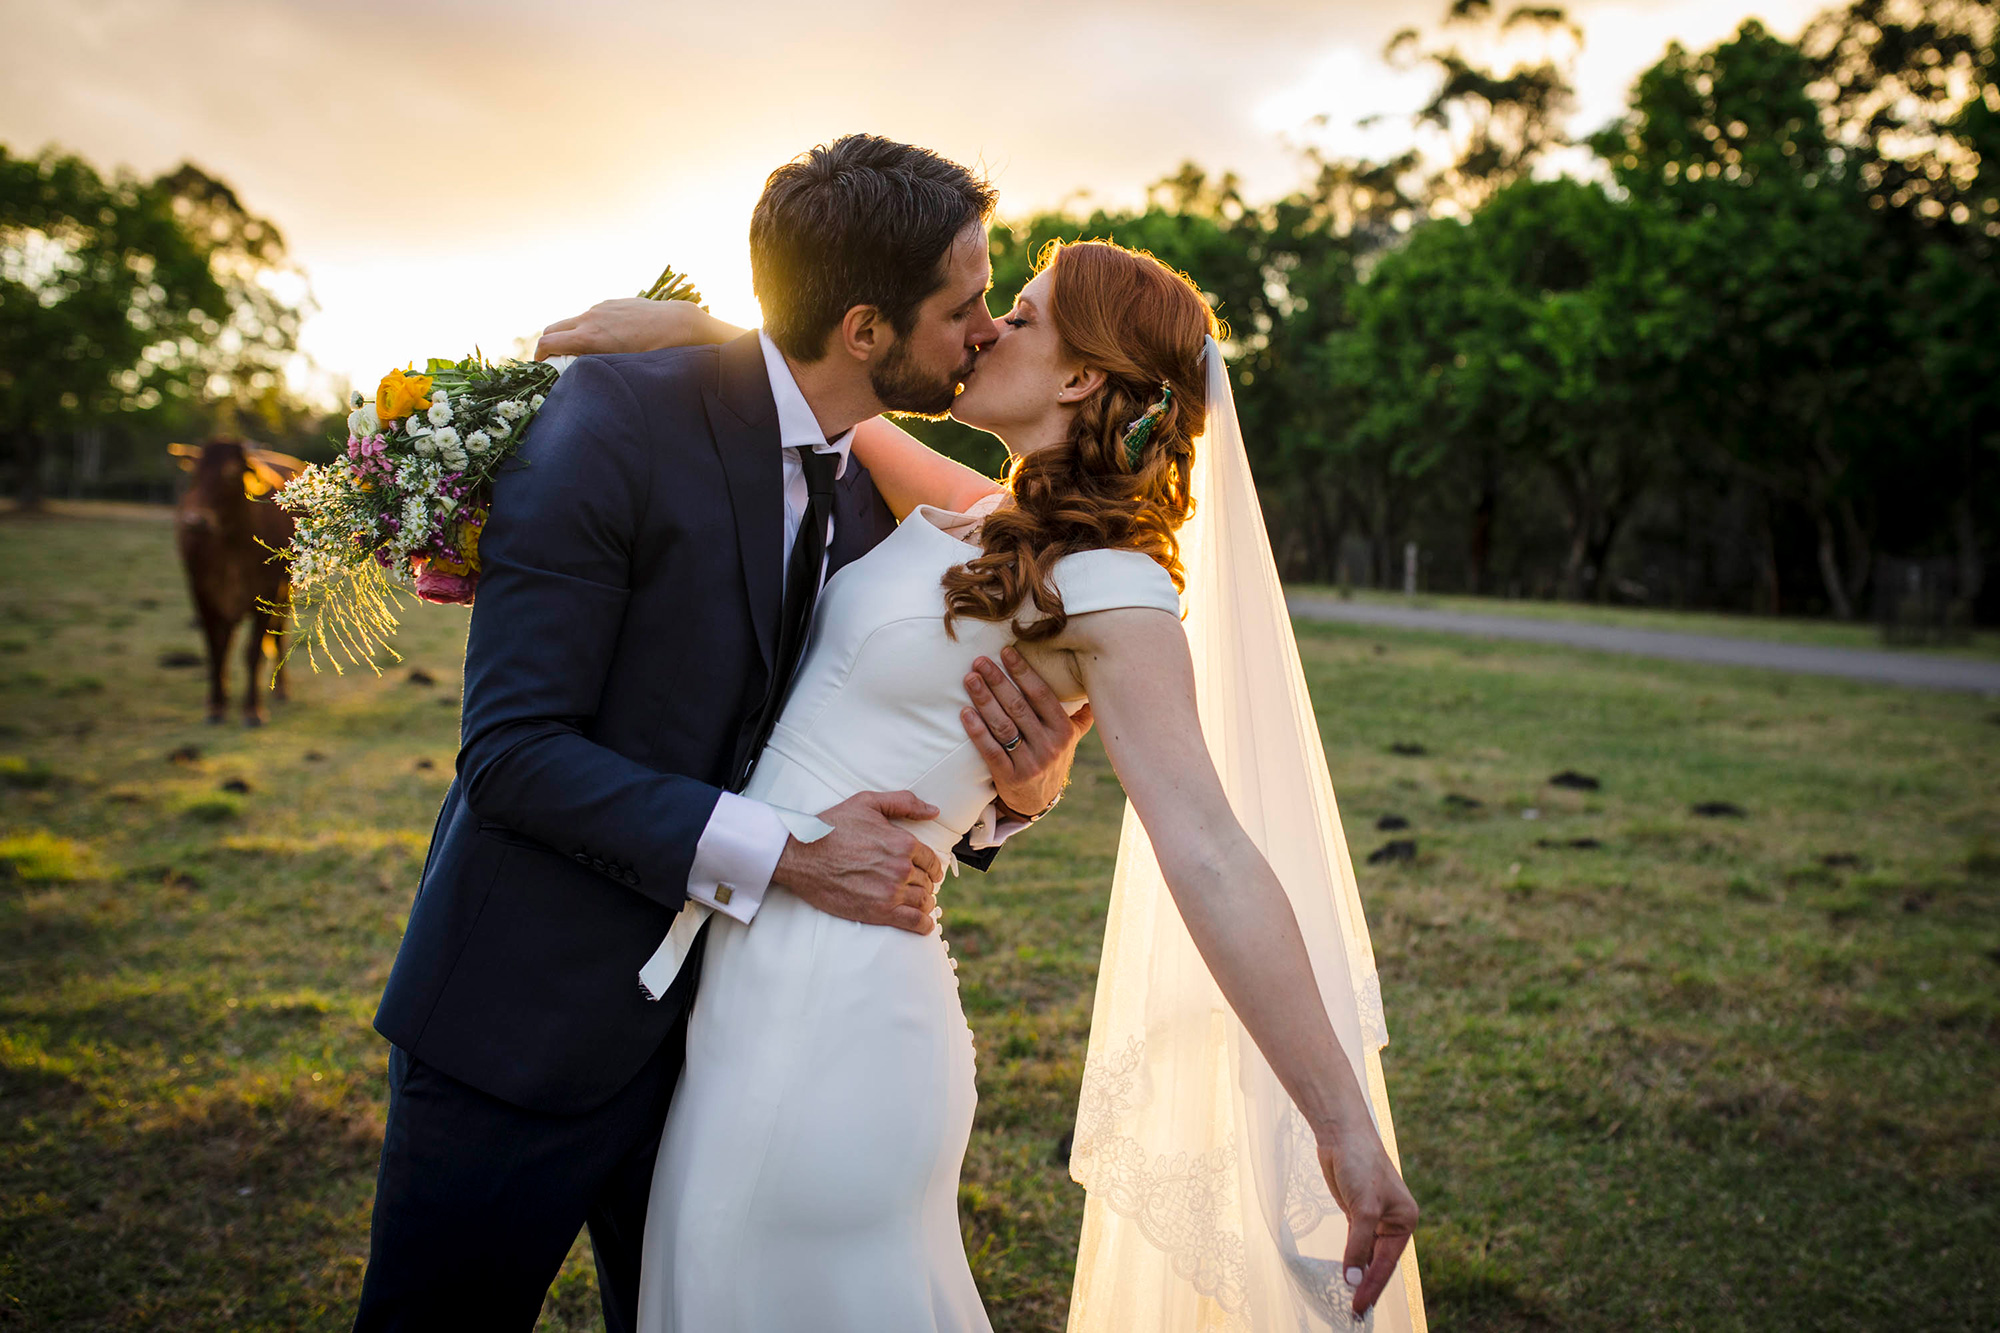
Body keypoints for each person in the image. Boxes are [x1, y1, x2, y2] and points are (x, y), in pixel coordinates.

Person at [545, 235, 1422, 1329]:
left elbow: (1205, 846)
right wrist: (694, 334)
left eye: (1022, 312)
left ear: (1077, 377)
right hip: (747, 993)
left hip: (831, 1020)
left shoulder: (1112, 589)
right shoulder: (991, 523)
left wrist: (1337, 1120)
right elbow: (830, 411)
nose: (985, 327)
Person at [353, 135, 1090, 1333]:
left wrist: (1019, 790)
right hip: (521, 1031)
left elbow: (877, 710)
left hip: (727, 1047)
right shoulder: (608, 429)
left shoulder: (871, 491)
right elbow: (511, 755)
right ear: (863, 329)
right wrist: (794, 853)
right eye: (962, 308)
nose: (982, 334)